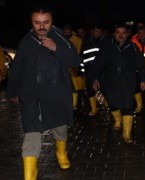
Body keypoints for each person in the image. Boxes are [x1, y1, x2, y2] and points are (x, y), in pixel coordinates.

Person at [5, 7, 81, 179]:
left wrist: (56, 48)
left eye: (45, 22)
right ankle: (29, 176)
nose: (41, 26)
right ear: (32, 23)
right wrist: (12, 91)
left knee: (60, 129)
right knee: (31, 134)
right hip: (31, 97)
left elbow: (76, 61)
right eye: (37, 22)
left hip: (56, 95)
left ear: (51, 22)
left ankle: (61, 152)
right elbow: (17, 69)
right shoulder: (26, 41)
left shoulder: (60, 37)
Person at [92, 24, 145, 143]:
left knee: (128, 106)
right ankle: (117, 120)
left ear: (127, 34)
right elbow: (97, 64)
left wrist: (142, 79)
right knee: (113, 104)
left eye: (123, 32)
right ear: (114, 34)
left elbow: (141, 65)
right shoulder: (106, 47)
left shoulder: (133, 47)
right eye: (118, 32)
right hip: (110, 81)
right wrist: (95, 78)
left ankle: (126, 134)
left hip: (128, 81)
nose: (121, 35)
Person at [80, 23, 107, 116]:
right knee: (90, 89)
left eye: (100, 31)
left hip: (103, 70)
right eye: (96, 31)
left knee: (105, 88)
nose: (98, 33)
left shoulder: (106, 41)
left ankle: (108, 107)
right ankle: (94, 109)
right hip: (89, 69)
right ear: (92, 31)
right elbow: (82, 56)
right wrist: (82, 70)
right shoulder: (86, 41)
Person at [63, 24, 85, 110]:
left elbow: (80, 54)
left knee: (76, 87)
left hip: (74, 67)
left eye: (69, 32)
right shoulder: (60, 39)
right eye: (65, 32)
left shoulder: (77, 40)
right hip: (64, 67)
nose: (67, 34)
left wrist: (79, 66)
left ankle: (75, 105)